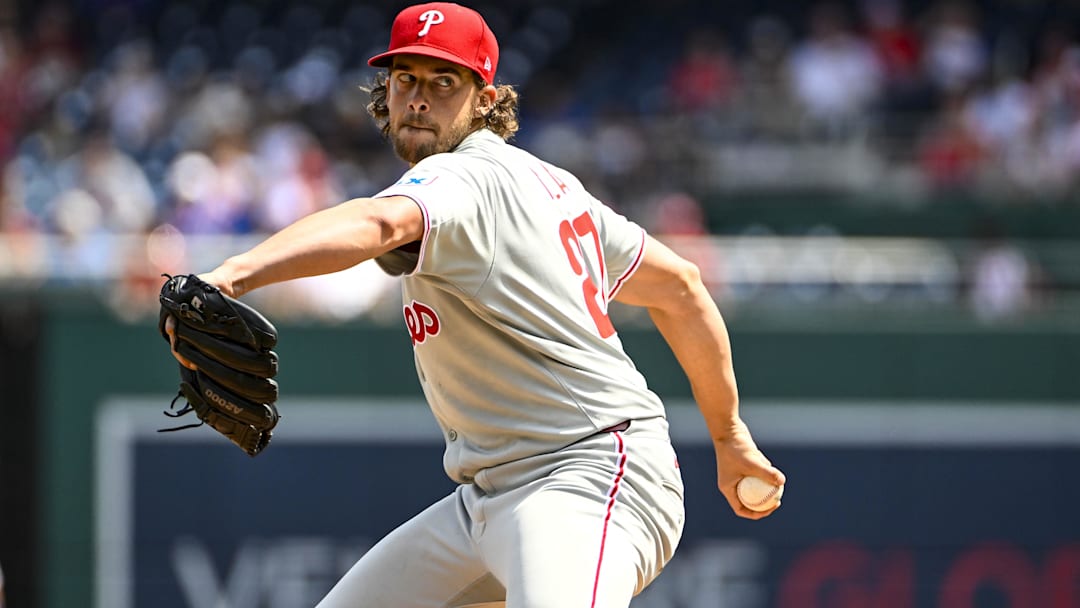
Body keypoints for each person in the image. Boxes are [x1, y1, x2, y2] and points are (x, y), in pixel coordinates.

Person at [165, 3, 785, 606]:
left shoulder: (462, 175)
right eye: (406, 79)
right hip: (487, 499)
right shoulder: (550, 184)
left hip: (588, 477)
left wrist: (232, 276)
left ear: (486, 101)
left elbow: (378, 221)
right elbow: (679, 286)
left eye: (444, 81)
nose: (419, 97)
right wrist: (729, 438)